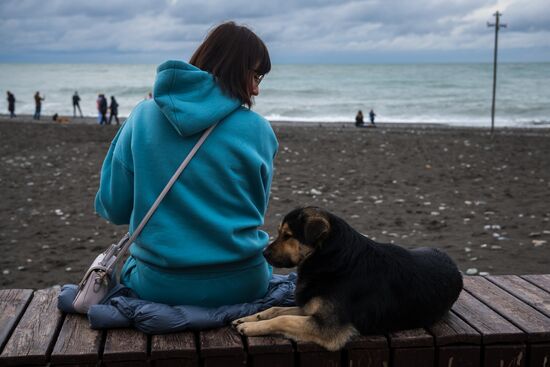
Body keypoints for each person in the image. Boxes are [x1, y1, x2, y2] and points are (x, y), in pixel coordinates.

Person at [95, 21, 277, 307]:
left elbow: (113, 207)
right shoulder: (259, 130)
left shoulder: (142, 117)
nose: (255, 90)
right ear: (231, 68)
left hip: (160, 284)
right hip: (244, 282)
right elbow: (254, 210)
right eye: (255, 76)